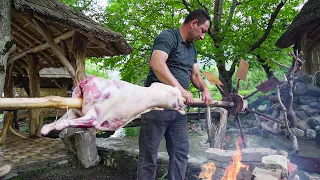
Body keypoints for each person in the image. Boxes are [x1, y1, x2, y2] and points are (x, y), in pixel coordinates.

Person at [137, 9, 212, 180]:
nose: (203, 37)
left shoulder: (192, 49)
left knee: (180, 153)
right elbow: (156, 63)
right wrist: (181, 90)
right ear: (193, 23)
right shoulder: (168, 36)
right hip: (156, 107)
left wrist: (205, 89)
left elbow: (195, 75)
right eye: (203, 31)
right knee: (148, 157)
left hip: (178, 110)